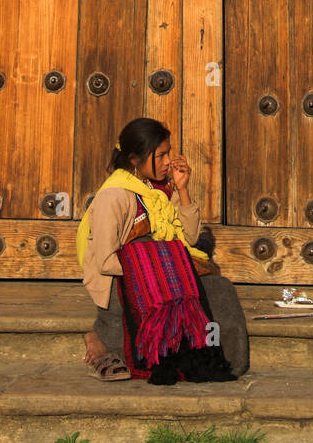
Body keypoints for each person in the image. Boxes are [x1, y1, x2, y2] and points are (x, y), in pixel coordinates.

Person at [77, 117, 249, 384]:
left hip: (167, 267)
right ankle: (101, 338)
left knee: (219, 288)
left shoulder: (163, 189)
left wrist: (182, 188)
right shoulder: (114, 197)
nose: (169, 161)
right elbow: (106, 261)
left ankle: (227, 360)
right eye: (161, 155)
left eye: (168, 152)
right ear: (134, 159)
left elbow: (190, 238)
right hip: (127, 276)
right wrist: (162, 266)